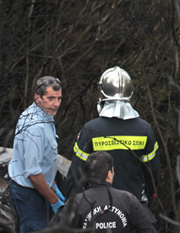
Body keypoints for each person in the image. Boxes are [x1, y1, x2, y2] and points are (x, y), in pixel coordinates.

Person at [7, 76, 65, 233]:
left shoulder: (39, 115)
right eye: (51, 98)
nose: (56, 103)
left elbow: (44, 161)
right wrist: (53, 200)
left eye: (59, 98)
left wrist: (54, 187)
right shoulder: (35, 127)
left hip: (35, 189)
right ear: (37, 98)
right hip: (30, 193)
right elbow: (33, 172)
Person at [64, 67, 159, 203]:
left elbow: (76, 174)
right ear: (130, 92)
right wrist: (150, 196)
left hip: (97, 207)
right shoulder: (144, 129)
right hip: (132, 205)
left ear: (102, 93)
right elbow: (153, 172)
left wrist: (71, 206)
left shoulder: (91, 129)